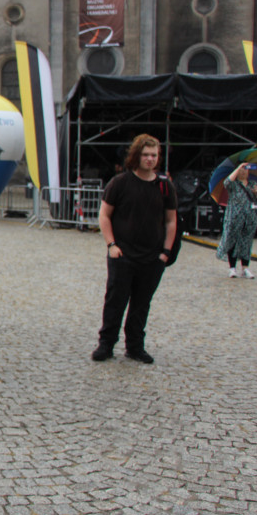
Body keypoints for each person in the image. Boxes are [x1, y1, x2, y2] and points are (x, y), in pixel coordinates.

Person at [91, 134, 177, 365]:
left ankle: (135, 346)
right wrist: (111, 245)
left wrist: (165, 253)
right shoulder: (120, 183)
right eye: (146, 154)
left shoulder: (164, 186)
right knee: (115, 301)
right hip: (123, 254)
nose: (150, 159)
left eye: (154, 155)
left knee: (141, 304)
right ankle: (106, 343)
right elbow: (104, 215)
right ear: (136, 155)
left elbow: (171, 221)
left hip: (152, 257)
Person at [216, 161, 257, 278]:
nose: (244, 172)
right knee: (233, 241)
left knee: (246, 243)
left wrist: (256, 194)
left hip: (249, 218)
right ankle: (232, 268)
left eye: (246, 169)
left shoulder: (252, 184)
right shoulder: (234, 185)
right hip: (234, 218)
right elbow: (227, 182)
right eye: (242, 169)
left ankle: (245, 268)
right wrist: (238, 167)